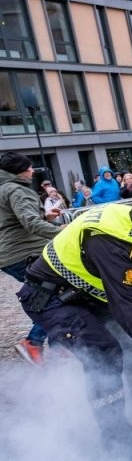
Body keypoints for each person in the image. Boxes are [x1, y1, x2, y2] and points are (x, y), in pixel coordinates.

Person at [17, 190, 132, 459]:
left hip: (85, 295)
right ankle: (119, 446)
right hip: (50, 299)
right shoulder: (113, 242)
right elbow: (129, 309)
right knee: (105, 354)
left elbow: (130, 307)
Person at [0, 152, 64, 365]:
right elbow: (30, 224)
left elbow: (13, 222)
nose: (32, 170)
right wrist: (64, 231)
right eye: (28, 167)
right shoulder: (17, 190)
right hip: (24, 252)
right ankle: (34, 343)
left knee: (47, 294)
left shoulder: (4, 189)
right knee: (56, 294)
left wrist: (47, 217)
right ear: (18, 170)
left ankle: (55, 343)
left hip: (12, 253)